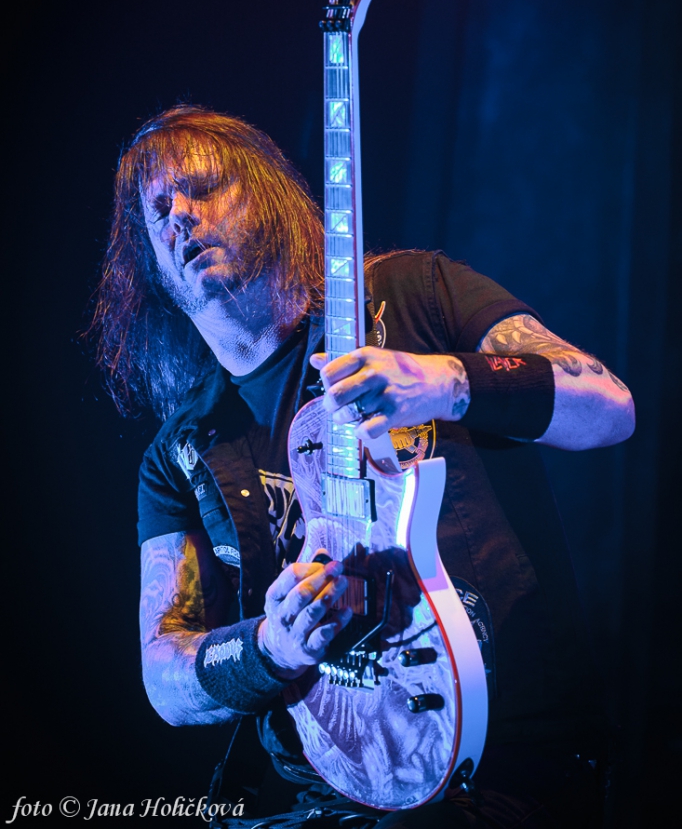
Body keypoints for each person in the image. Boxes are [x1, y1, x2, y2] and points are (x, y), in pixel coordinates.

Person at [92, 105, 634, 828]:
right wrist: (270, 647)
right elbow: (164, 677)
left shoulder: (416, 296)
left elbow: (610, 407)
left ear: (270, 196)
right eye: (159, 209)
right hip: (314, 795)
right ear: (152, 267)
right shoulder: (182, 450)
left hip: (500, 770)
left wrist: (445, 380)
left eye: (205, 187)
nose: (181, 216)